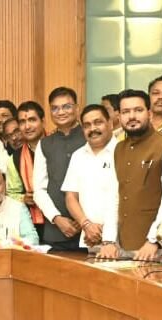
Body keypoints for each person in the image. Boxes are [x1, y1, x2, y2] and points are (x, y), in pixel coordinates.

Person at [98, 89, 162, 261]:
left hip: (154, 249)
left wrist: (154, 240)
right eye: (125, 112)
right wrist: (108, 240)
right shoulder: (118, 148)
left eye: (138, 110)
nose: (132, 116)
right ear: (119, 116)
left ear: (149, 113)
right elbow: (114, 196)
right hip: (121, 246)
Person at [33, 87, 86, 251]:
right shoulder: (45, 144)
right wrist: (56, 218)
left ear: (77, 108)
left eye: (66, 107)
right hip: (56, 231)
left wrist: (83, 219)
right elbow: (39, 189)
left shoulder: (90, 137)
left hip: (91, 230)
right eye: (55, 108)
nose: (61, 112)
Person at [61, 104, 118, 252]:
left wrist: (107, 231)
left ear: (110, 123)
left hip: (122, 239)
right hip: (90, 239)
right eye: (87, 125)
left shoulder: (123, 152)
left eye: (98, 122)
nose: (92, 128)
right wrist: (86, 225)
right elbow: (71, 197)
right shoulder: (78, 155)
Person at [6, 101, 46, 235]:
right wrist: (24, 198)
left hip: (64, 221)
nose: (27, 126)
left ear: (43, 121)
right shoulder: (14, 158)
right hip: (31, 223)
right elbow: (11, 194)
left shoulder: (58, 148)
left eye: (32, 120)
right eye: (22, 122)